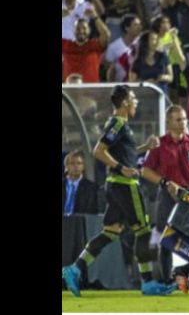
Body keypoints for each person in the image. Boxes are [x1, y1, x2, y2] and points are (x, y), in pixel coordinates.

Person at [62, 85, 175, 297]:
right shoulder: (118, 124)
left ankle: (75, 268)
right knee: (143, 231)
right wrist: (121, 167)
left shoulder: (120, 125)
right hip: (125, 185)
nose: (136, 102)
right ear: (124, 102)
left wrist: (143, 148)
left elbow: (122, 153)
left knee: (111, 231)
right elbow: (98, 151)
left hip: (115, 185)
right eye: (133, 98)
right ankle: (148, 283)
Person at [141, 106, 189, 287]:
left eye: (184, 119)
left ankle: (188, 278)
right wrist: (165, 183)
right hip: (168, 194)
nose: (183, 123)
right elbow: (145, 170)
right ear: (168, 122)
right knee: (166, 238)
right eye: (178, 120)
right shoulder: (159, 144)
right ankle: (166, 279)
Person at [62, 151, 99, 216]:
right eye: (72, 163)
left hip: (79, 221)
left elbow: (92, 212)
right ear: (66, 166)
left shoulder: (92, 187)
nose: (76, 166)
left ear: (83, 166)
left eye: (79, 163)